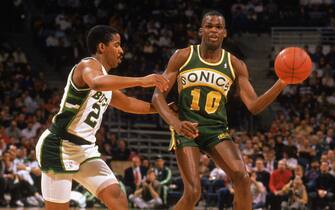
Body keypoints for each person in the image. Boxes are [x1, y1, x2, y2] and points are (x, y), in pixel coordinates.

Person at [152, 10, 292, 210]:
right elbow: (157, 97)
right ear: (201, 30)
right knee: (192, 193)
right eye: (209, 26)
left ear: (224, 32)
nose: (213, 30)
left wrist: (281, 83)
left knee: (242, 178)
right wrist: (177, 124)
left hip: (216, 129)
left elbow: (254, 106)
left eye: (218, 27)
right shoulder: (183, 56)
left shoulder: (235, 64)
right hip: (186, 128)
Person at [35, 25, 169, 210]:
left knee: (117, 197)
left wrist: (165, 109)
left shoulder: (106, 79)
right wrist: (141, 80)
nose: (122, 50)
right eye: (117, 45)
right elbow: (96, 83)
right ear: (101, 47)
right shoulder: (87, 65)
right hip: (58, 146)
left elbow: (129, 103)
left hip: (85, 149)